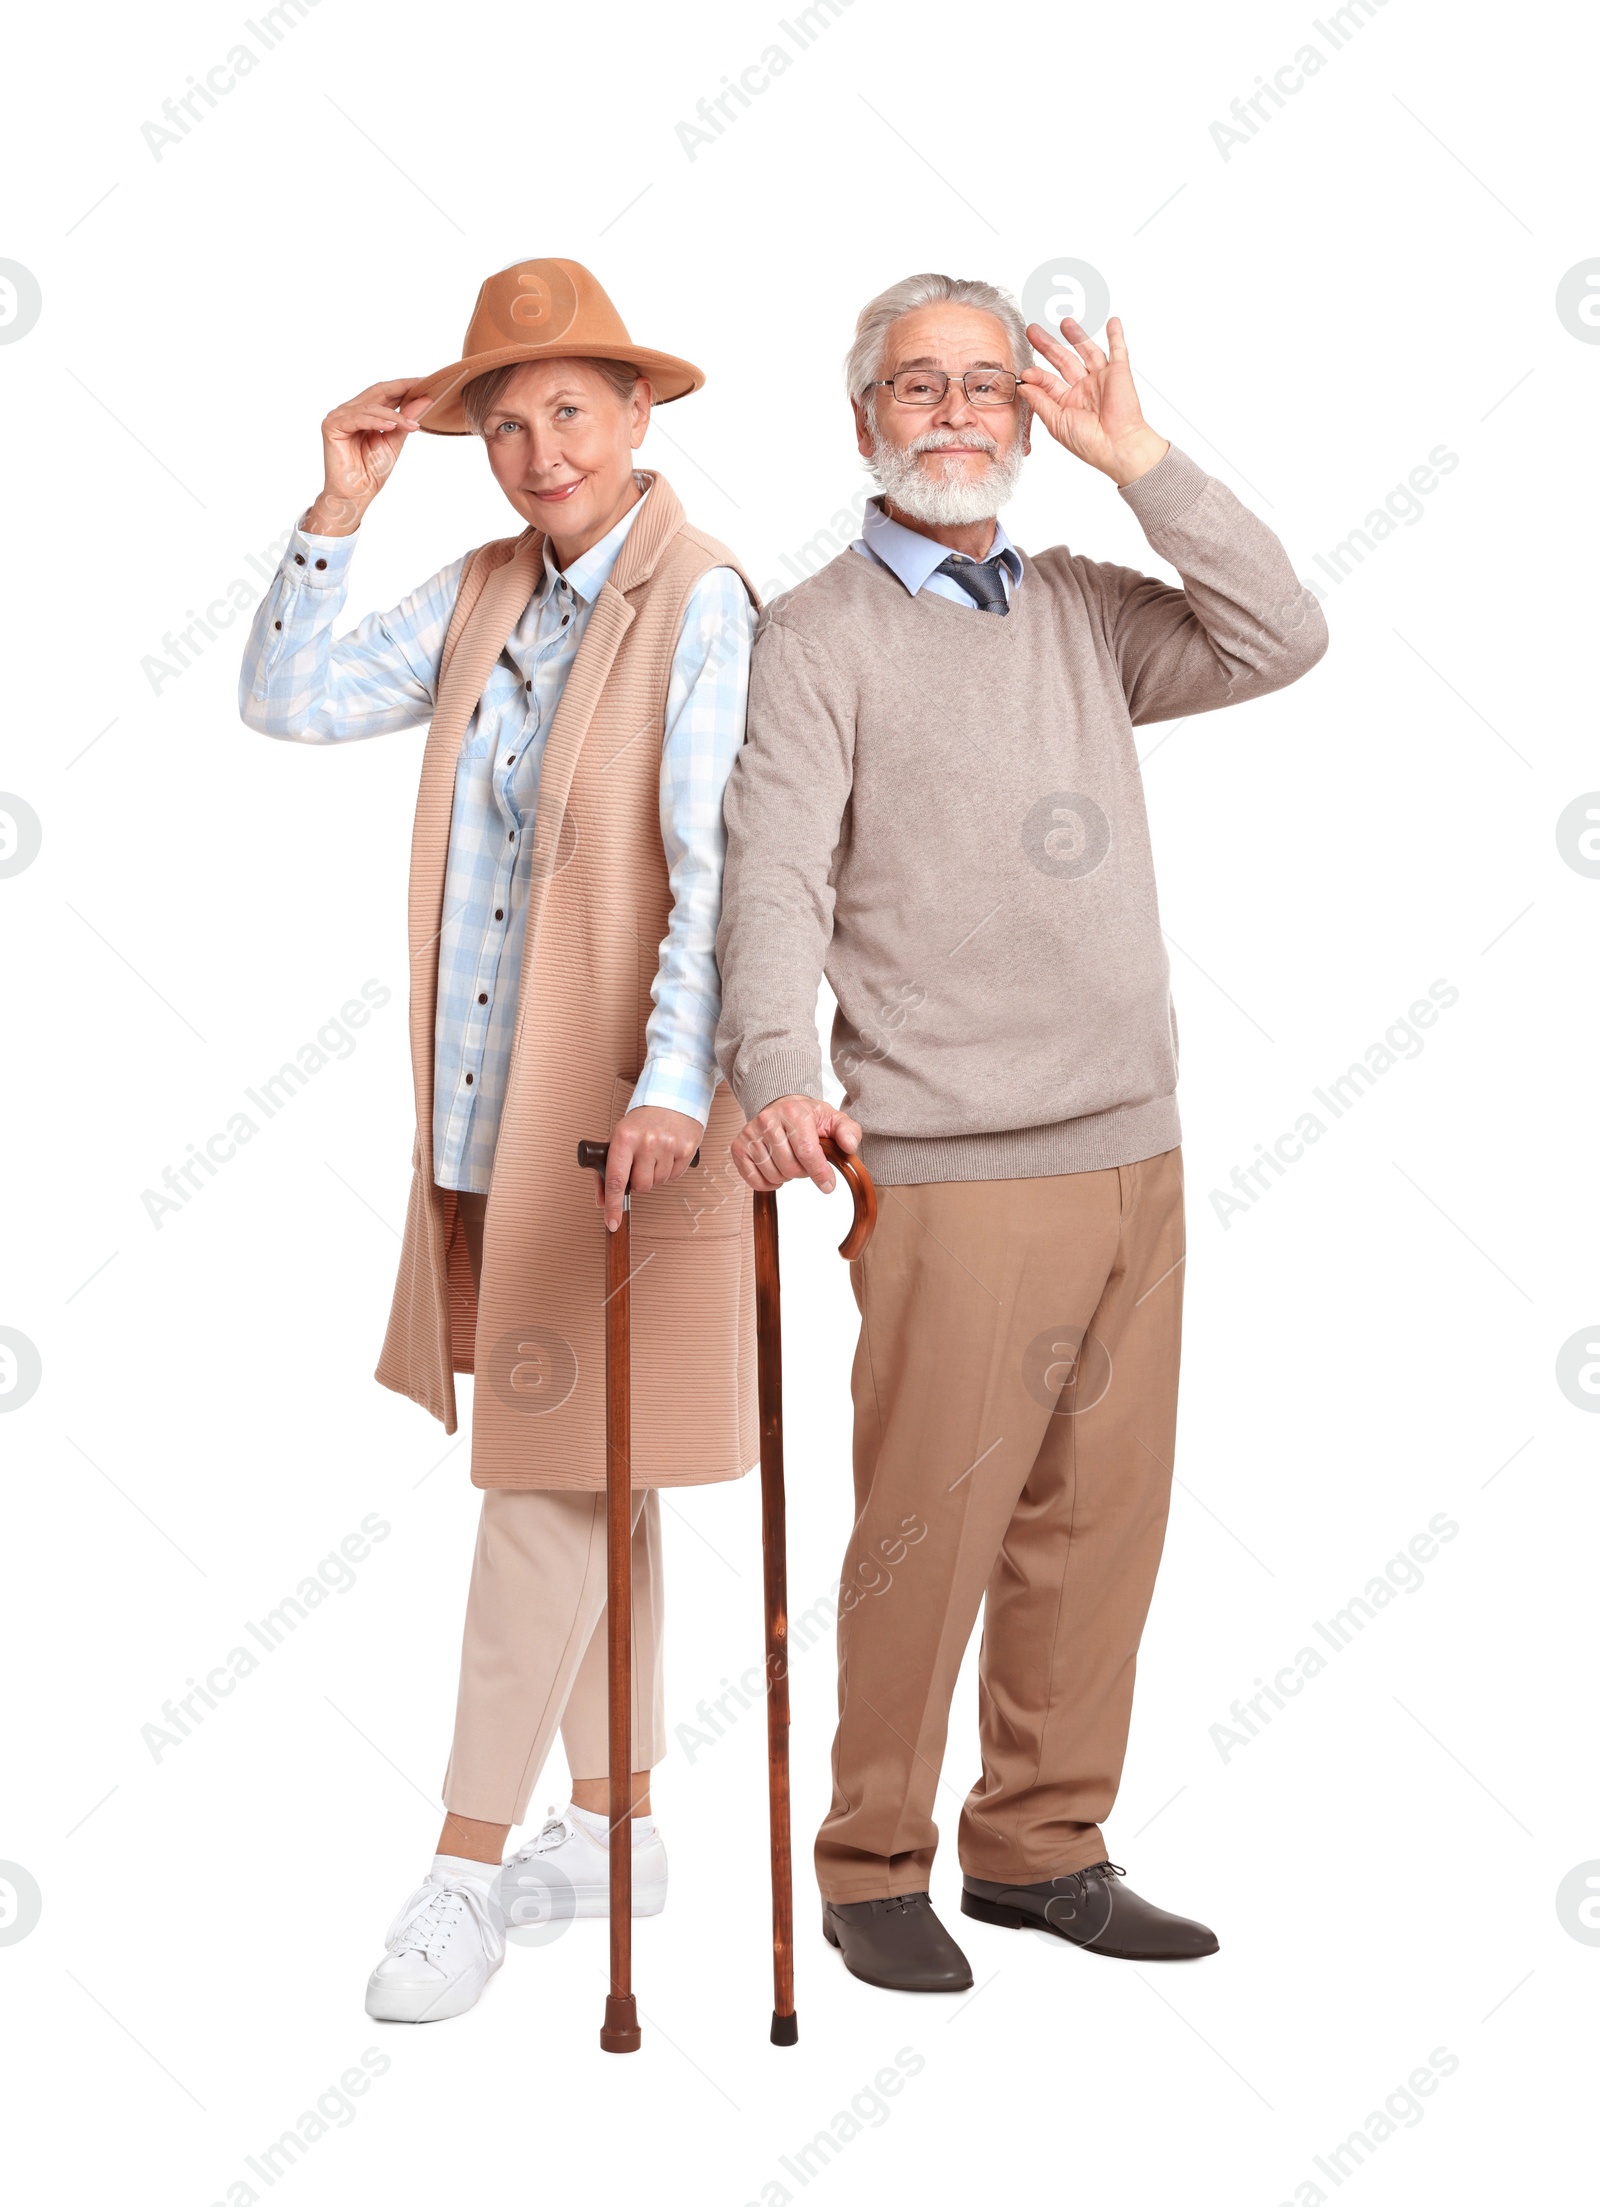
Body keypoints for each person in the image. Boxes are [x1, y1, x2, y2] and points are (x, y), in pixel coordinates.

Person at [714, 271, 1327, 1992]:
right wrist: (777, 1068)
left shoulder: (1078, 602)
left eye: (991, 383)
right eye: (922, 385)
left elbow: (1281, 636)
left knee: (1095, 1524)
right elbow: (768, 880)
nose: (962, 411)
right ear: (865, 422)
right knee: (930, 1525)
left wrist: (1143, 461)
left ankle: (1044, 1850)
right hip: (951, 1166)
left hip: (1137, 1142)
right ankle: (870, 1865)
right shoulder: (815, 635)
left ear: (1029, 419)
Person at [238, 258, 758, 2023]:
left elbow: (715, 871)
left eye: (571, 411)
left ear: (637, 415)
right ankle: (616, 1836)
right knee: (595, 1473)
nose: (539, 449)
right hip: (480, 1124)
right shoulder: (479, 593)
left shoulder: (702, 602)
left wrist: (674, 1088)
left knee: (546, 1478)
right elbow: (286, 700)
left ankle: (463, 1865)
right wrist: (336, 506)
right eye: (507, 420)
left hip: (627, 1128)